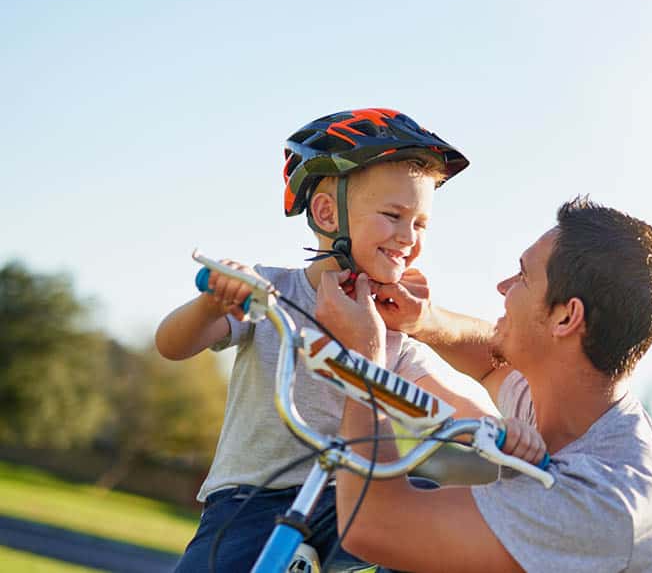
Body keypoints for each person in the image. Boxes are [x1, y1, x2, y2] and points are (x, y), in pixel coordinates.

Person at [156, 108, 522, 571]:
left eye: (422, 223)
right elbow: (172, 345)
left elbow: (445, 401)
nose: (408, 237)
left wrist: (506, 433)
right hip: (249, 501)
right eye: (394, 215)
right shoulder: (273, 293)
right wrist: (213, 305)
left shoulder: (391, 324)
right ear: (327, 212)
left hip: (345, 501)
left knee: (435, 514)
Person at [317, 196, 652, 572]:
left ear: (566, 318)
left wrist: (364, 360)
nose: (503, 286)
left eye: (523, 276)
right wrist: (422, 321)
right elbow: (491, 363)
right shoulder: (576, 404)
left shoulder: (602, 498)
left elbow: (373, 526)